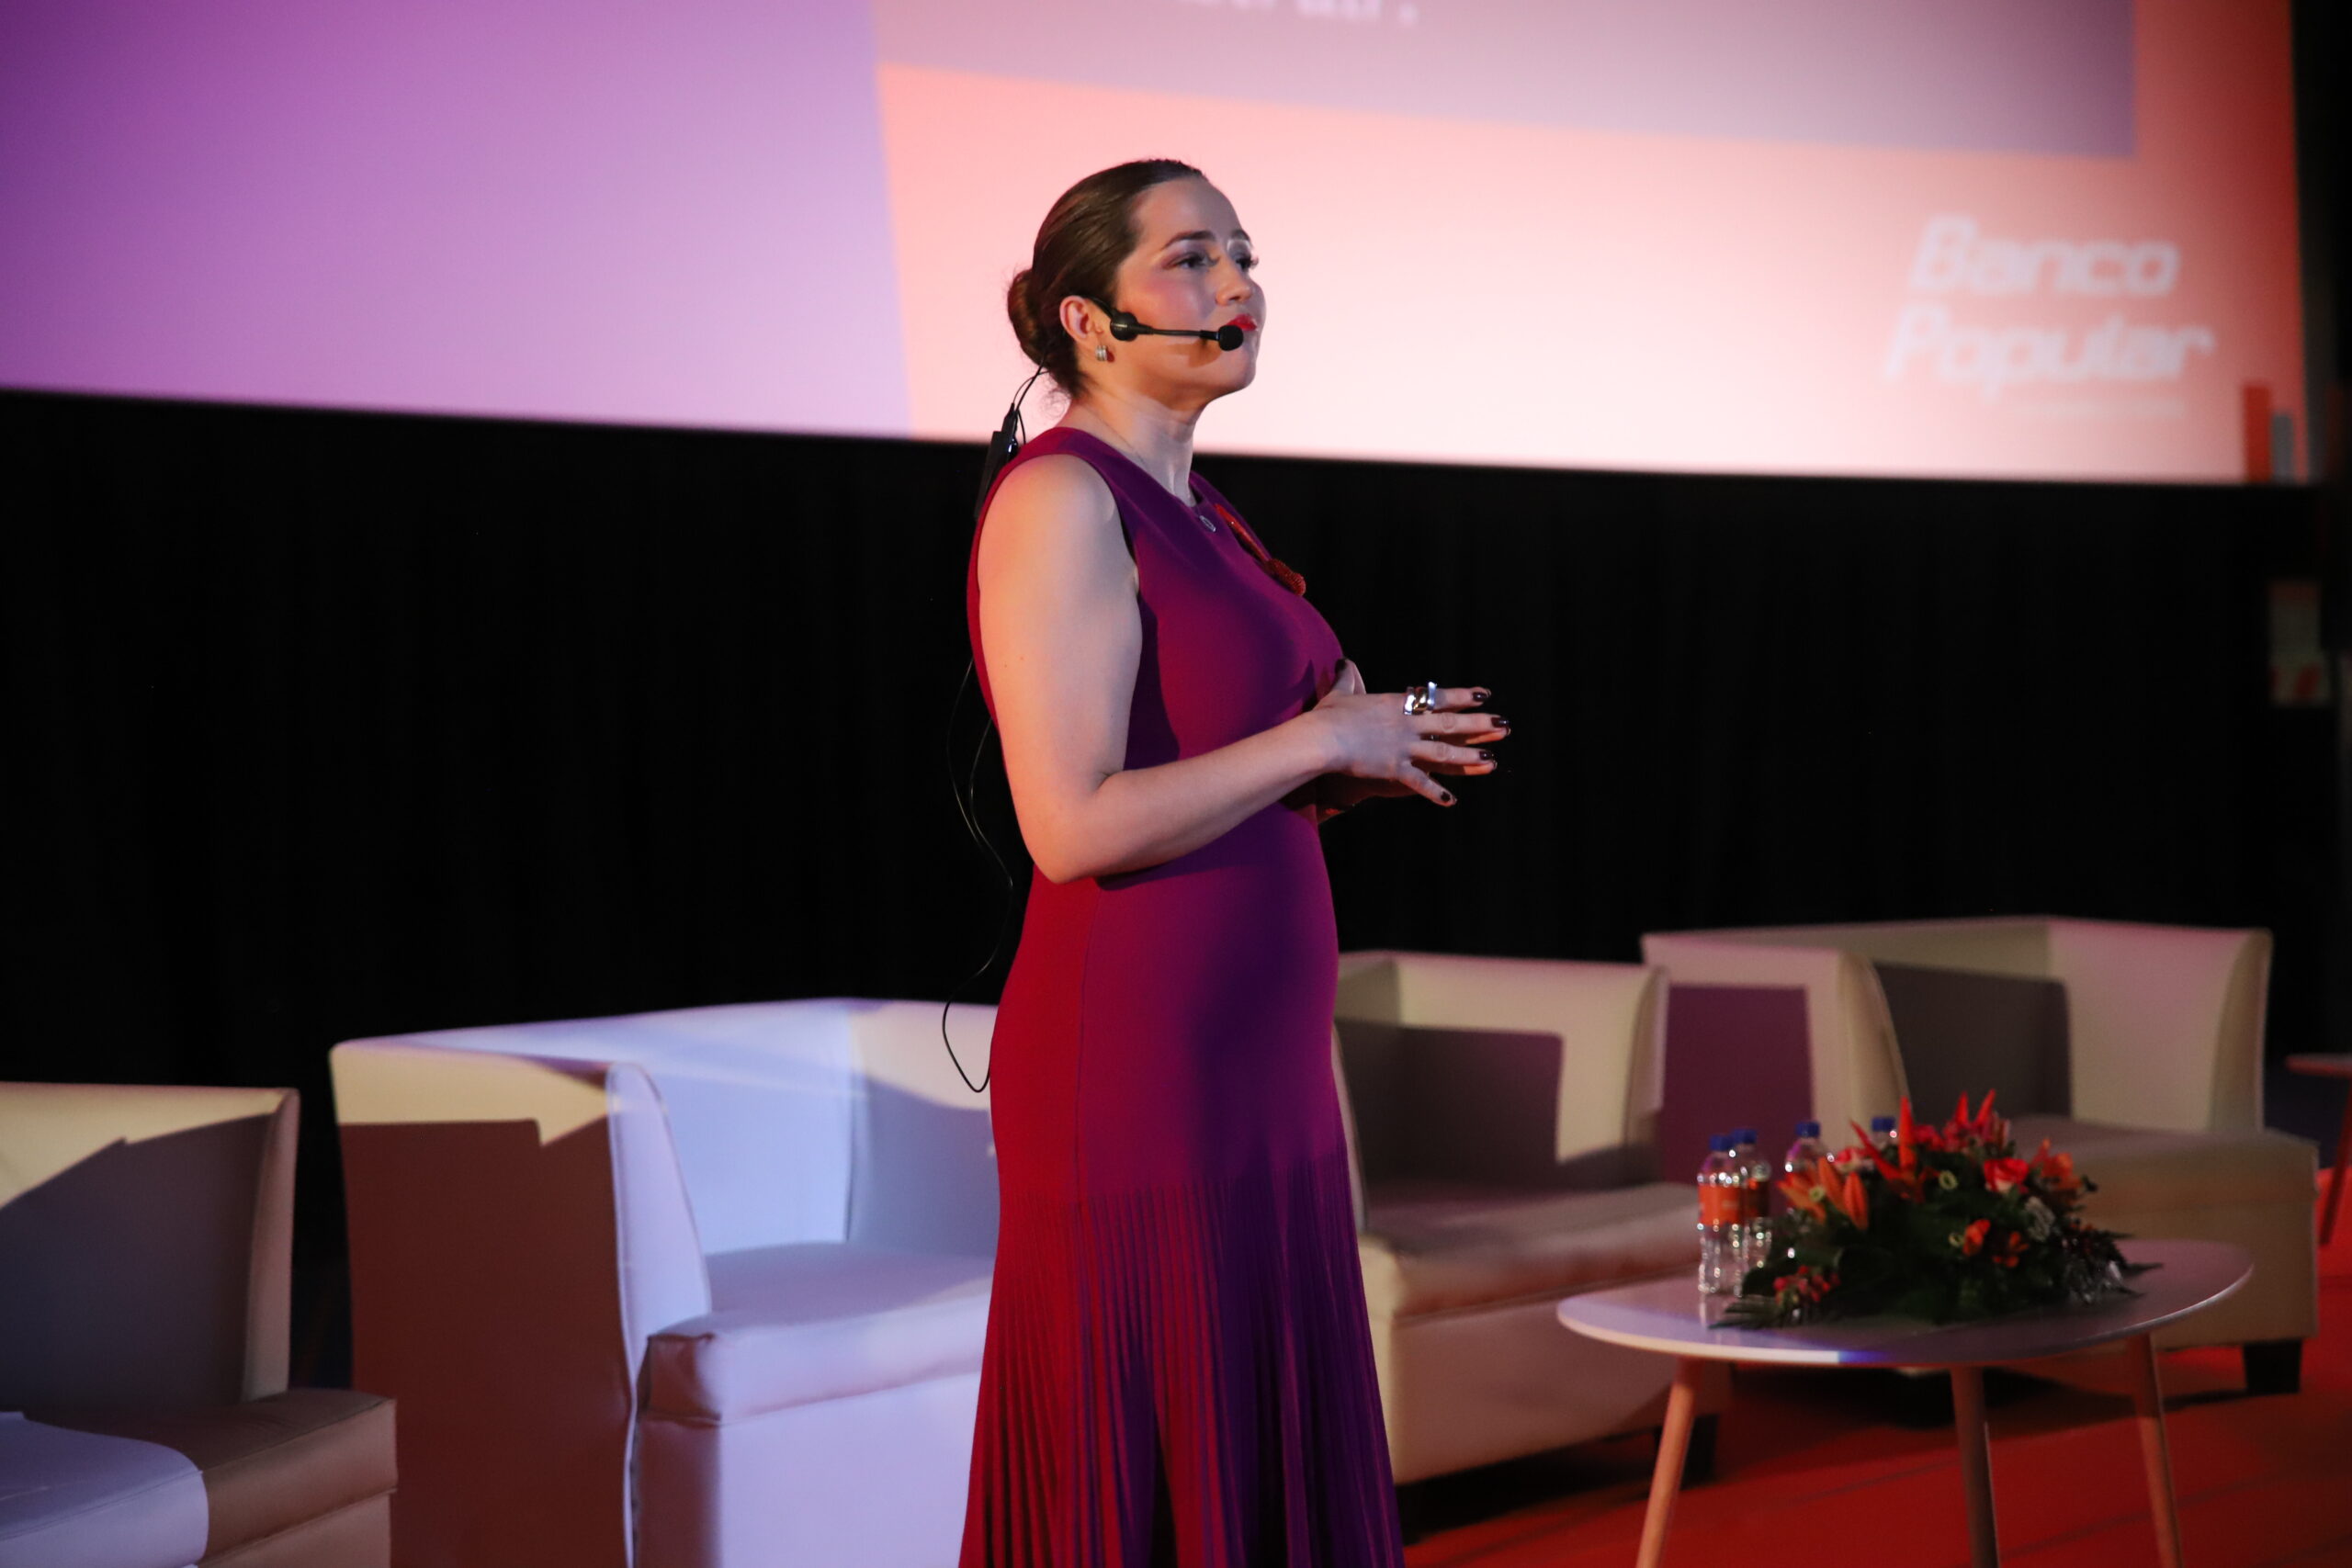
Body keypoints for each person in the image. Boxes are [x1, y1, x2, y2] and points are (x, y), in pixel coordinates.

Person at [960, 157, 1508, 1566]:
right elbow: (1071, 825)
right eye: (1193, 258)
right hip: (1139, 1065)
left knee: (1260, 1442)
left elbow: (1229, 768)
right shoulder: (1060, 499)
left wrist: (1353, 761)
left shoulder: (1210, 512)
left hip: (1255, 1065)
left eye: (1245, 255)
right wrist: (1320, 740)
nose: (1238, 286)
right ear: (1089, 319)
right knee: (1153, 1444)